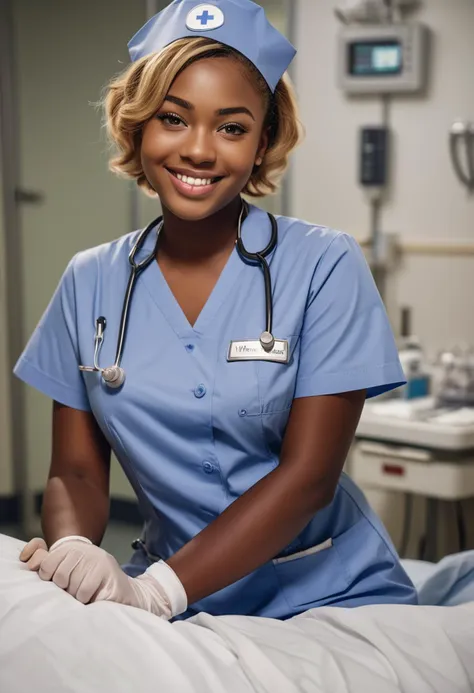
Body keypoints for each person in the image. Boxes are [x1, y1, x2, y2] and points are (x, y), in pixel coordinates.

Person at [14, 0, 417, 621]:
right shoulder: (89, 280)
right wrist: (73, 547)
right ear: (137, 128)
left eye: (231, 127)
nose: (199, 150)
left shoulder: (324, 265)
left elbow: (308, 476)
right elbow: (74, 471)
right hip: (171, 600)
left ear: (262, 144)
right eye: (173, 119)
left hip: (327, 595)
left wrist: (156, 591)